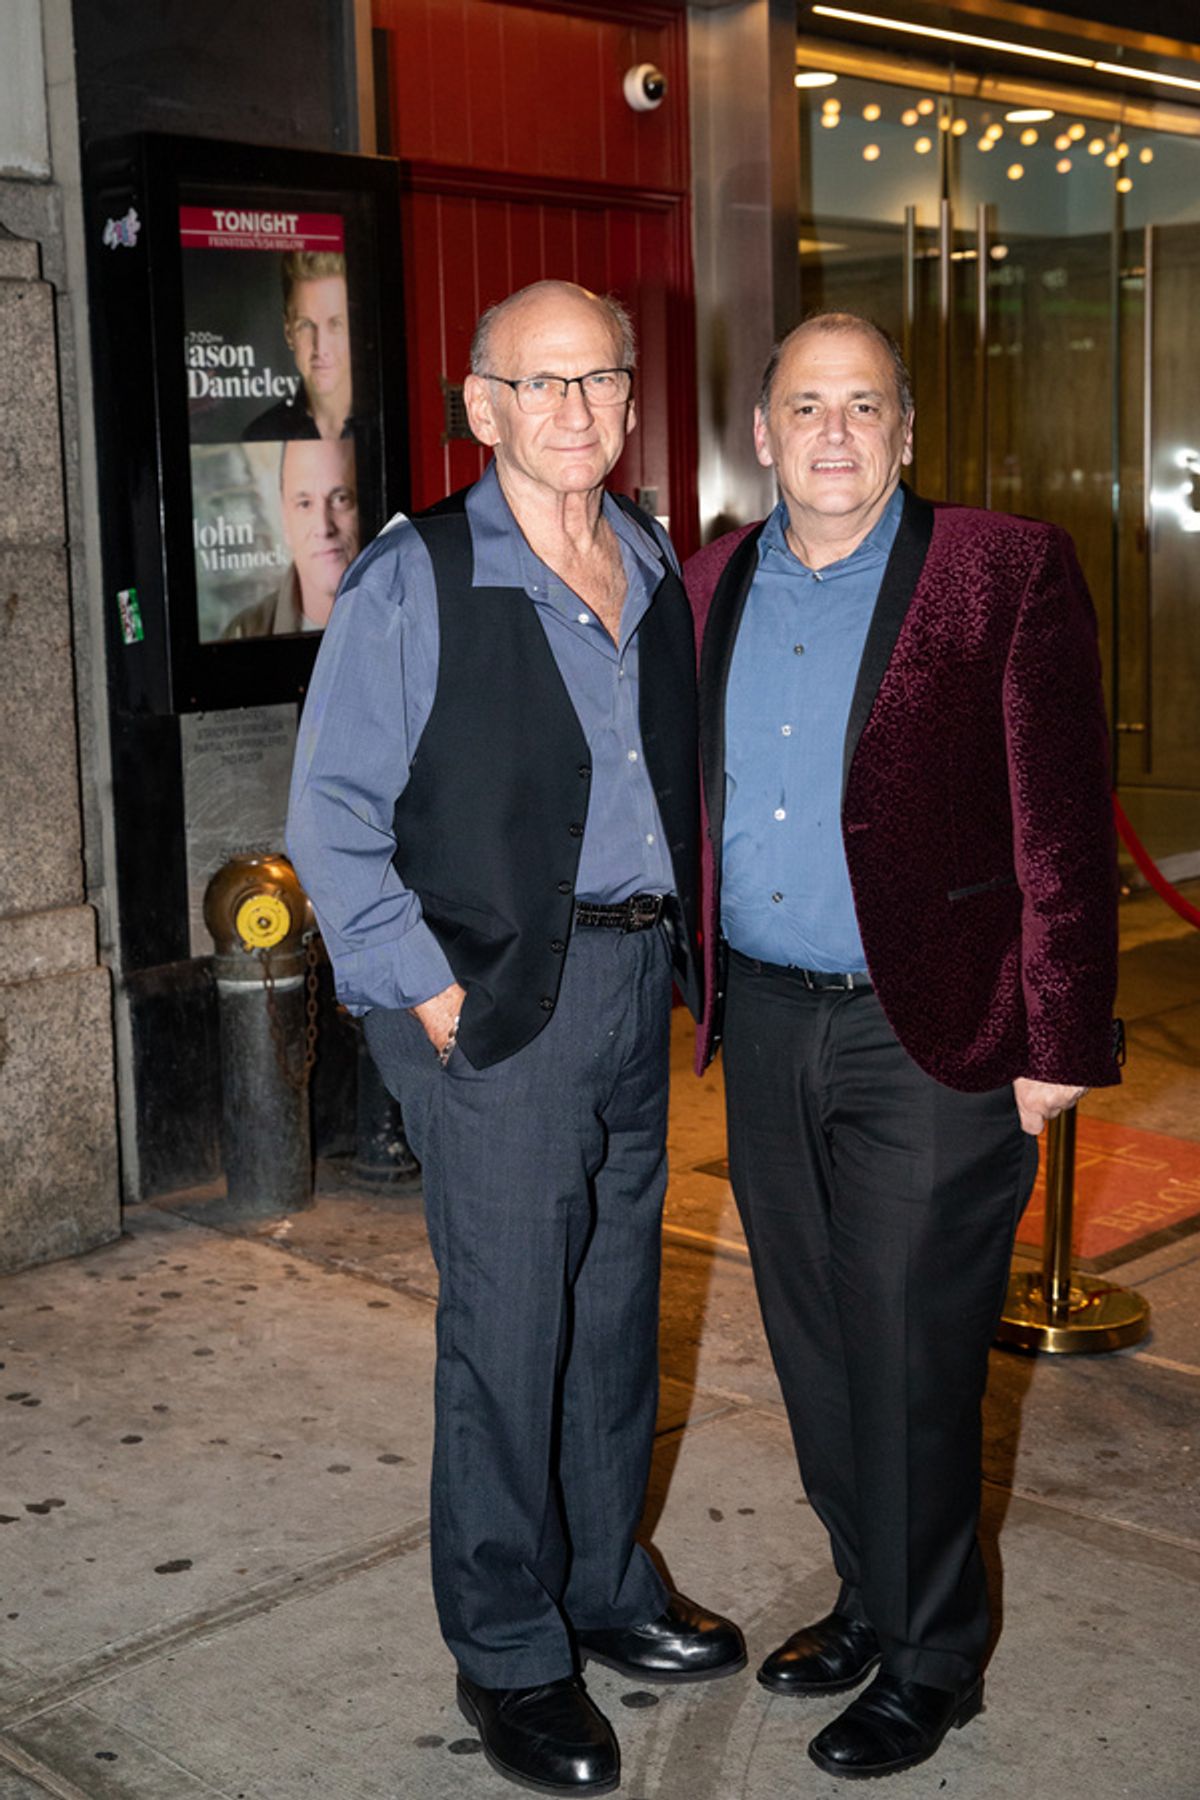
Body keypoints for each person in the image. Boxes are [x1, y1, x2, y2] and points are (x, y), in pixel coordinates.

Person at [287, 279, 744, 1797]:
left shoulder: (650, 558)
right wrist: (431, 997)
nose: (572, 410)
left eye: (596, 380)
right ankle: (507, 1652)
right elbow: (333, 827)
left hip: (629, 993)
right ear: (480, 408)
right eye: (536, 384)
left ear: (628, 401)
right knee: (508, 1340)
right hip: (495, 1009)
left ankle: (603, 1588)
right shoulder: (413, 578)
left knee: (616, 1318)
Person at [685, 311, 1120, 1781]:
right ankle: (869, 1600)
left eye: (862, 406)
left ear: (906, 433)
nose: (832, 433)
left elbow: (1064, 823)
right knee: (815, 1347)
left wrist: (1058, 1037)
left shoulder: (1001, 571)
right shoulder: (712, 581)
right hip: (766, 1015)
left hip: (929, 1035)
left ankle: (938, 1660)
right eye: (805, 405)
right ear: (762, 432)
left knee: (914, 1355)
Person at [222, 438, 359, 637]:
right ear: (285, 520)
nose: (323, 527)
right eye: (304, 504)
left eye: (340, 499)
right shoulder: (243, 633)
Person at [243, 250, 354, 441]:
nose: (321, 348)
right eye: (306, 325)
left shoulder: (383, 423)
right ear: (288, 332)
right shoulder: (260, 436)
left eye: (335, 324)